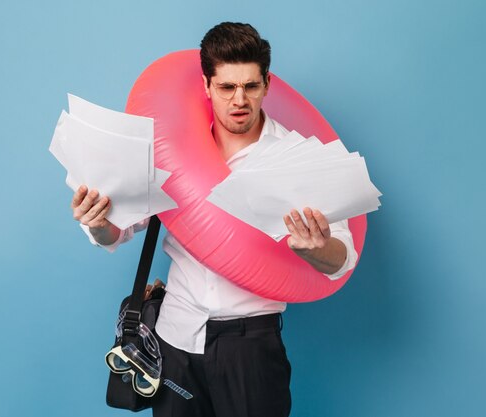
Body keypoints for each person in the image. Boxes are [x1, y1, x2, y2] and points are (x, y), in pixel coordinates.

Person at [70, 22, 358, 417]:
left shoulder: (298, 159)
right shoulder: (172, 147)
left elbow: (343, 259)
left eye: (250, 86)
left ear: (267, 84)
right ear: (206, 85)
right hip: (174, 340)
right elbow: (117, 232)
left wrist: (318, 247)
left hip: (251, 345)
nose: (239, 100)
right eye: (226, 87)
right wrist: (98, 222)